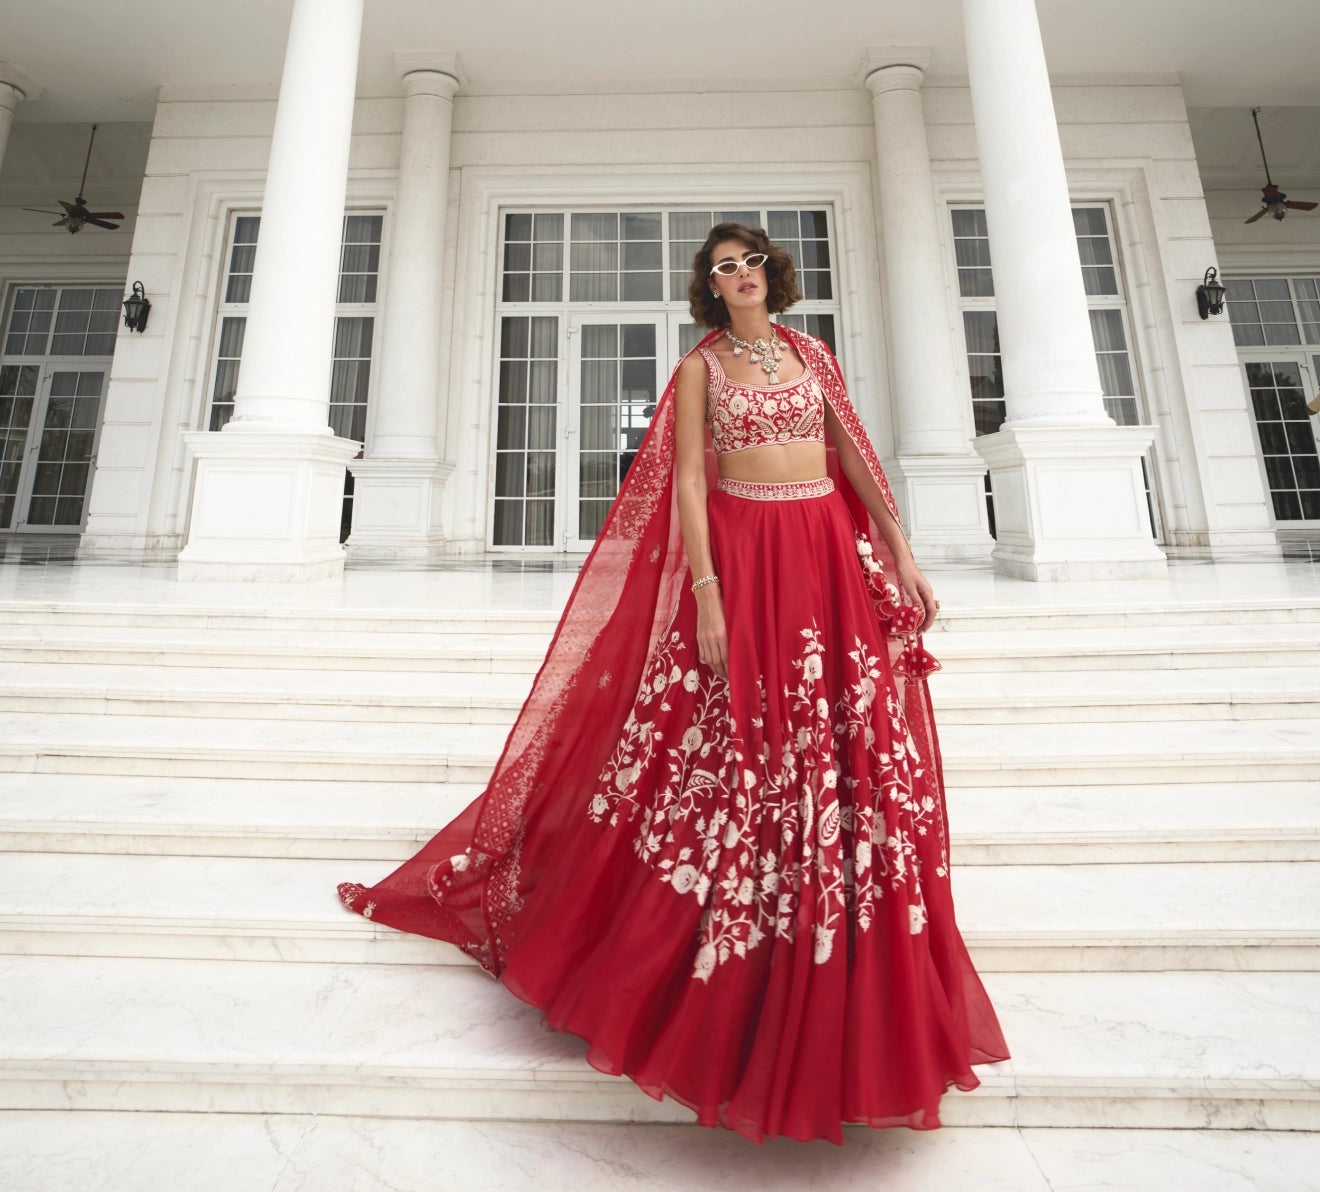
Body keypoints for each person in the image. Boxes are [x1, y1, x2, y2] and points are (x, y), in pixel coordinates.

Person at [338, 222, 1009, 1144]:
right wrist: (706, 591)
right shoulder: (701, 368)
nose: (737, 276)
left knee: (840, 754)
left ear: (774, 274)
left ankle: (848, 977)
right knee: (737, 750)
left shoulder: (813, 355)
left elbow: (853, 458)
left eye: (749, 263)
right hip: (745, 557)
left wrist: (903, 556)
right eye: (720, 267)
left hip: (823, 557)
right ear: (711, 286)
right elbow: (690, 484)